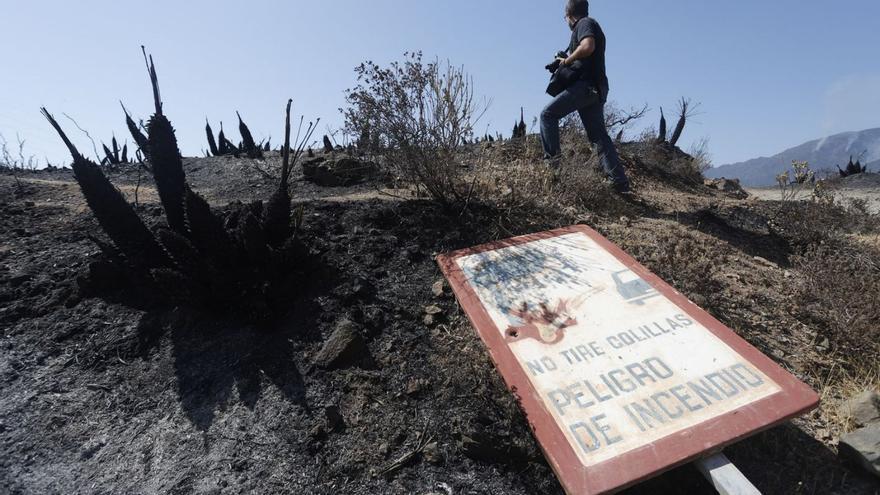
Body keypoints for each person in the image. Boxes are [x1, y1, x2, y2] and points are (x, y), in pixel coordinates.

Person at [540, 0, 631, 194]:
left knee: (547, 115)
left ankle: (553, 170)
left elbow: (588, 46)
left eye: (564, 17)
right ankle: (619, 182)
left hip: (586, 87)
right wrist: (564, 62)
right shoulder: (588, 25)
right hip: (596, 89)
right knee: (598, 136)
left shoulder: (584, 23)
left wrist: (567, 60)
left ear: (569, 15)